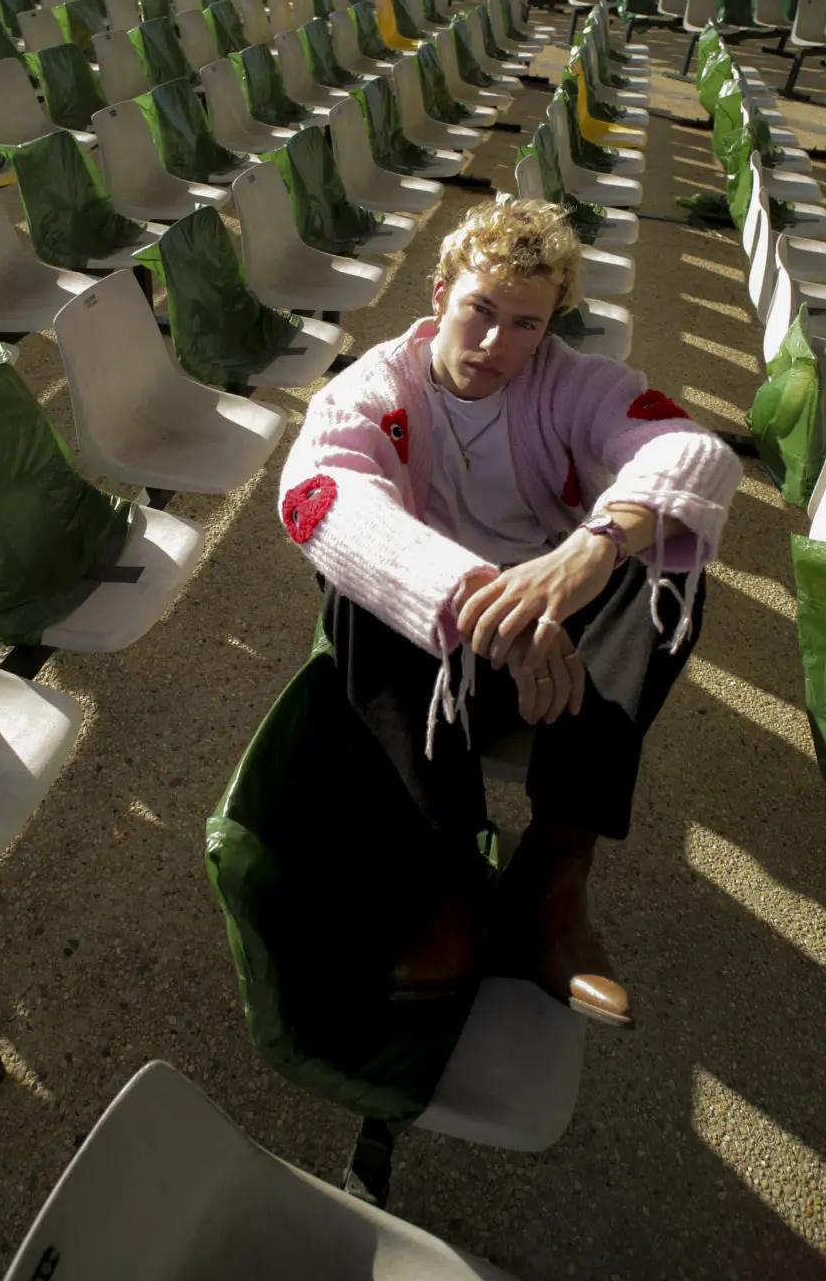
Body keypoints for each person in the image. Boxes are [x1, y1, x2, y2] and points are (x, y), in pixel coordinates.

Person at [278, 199, 741, 1028]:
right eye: (480, 310)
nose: (496, 343)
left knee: (667, 571)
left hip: (559, 646)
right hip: (435, 647)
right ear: (439, 294)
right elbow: (319, 499)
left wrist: (592, 549)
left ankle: (554, 871)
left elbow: (692, 451)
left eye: (525, 324)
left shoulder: (570, 381)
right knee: (357, 586)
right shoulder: (374, 388)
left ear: (549, 325)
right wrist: (493, 608)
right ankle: (448, 872)